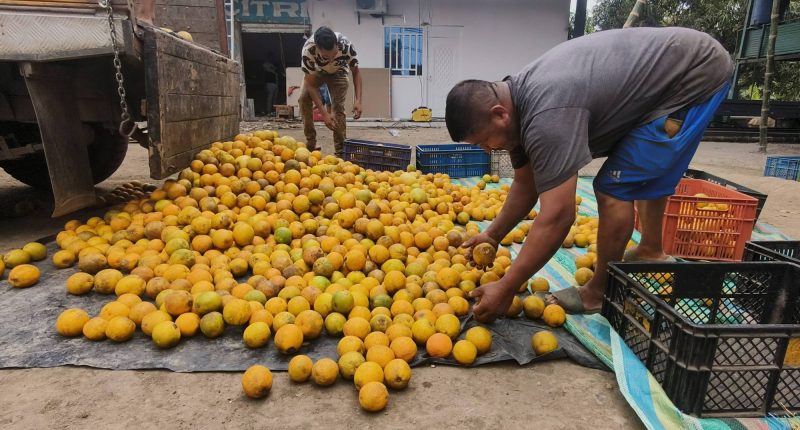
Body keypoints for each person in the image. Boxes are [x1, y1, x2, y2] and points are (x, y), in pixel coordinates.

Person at [445, 27, 732, 322]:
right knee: (641, 168)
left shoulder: (546, 116)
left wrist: (506, 287)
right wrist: (493, 234)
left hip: (693, 74)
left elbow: (558, 215)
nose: (487, 150)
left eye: (484, 140)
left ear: (499, 114)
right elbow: (526, 183)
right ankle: (650, 250)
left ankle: (599, 293)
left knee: (614, 187)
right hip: (670, 71)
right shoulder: (516, 108)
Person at [299, 26, 362, 155]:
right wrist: (324, 114)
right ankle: (311, 143)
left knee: (338, 108)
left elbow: (356, 72)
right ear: (317, 48)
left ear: (336, 44)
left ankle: (340, 151)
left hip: (339, 72)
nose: (332, 58)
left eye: (334, 54)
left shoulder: (346, 46)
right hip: (317, 72)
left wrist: (358, 100)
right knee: (303, 98)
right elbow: (311, 86)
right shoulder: (308, 51)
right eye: (326, 56)